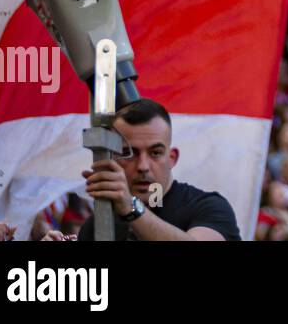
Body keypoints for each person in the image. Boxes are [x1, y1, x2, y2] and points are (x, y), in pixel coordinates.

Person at [70, 97, 240, 241]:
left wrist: (132, 209)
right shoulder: (100, 224)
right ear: (113, 158)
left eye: (155, 153)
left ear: (172, 158)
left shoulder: (208, 207)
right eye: (129, 153)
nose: (143, 166)